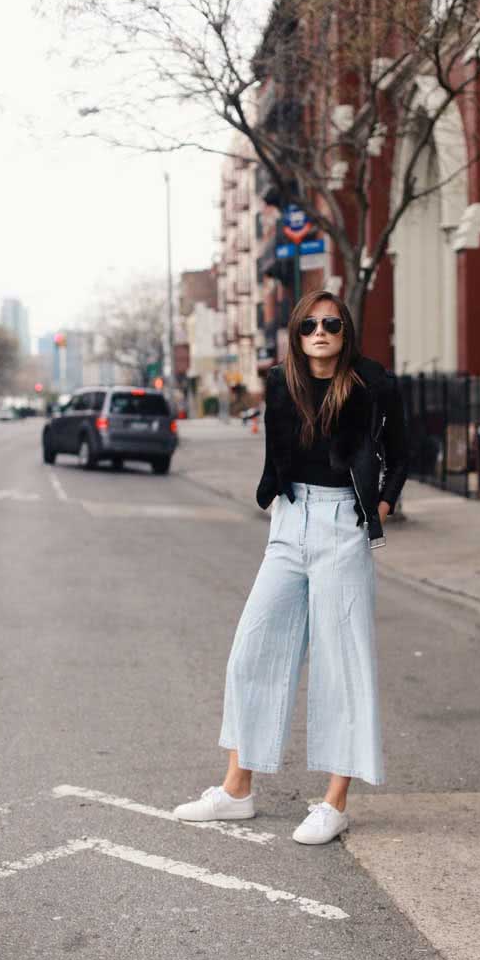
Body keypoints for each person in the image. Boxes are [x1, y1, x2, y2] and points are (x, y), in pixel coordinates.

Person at [174, 290, 410, 844]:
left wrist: (383, 503)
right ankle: (237, 791)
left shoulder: (374, 384)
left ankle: (335, 801)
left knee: (342, 662)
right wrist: (273, 494)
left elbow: (401, 451)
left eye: (331, 323)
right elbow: (277, 451)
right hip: (290, 521)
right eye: (309, 325)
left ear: (345, 331)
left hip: (342, 527)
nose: (320, 332)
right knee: (253, 649)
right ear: (297, 334)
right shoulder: (281, 384)